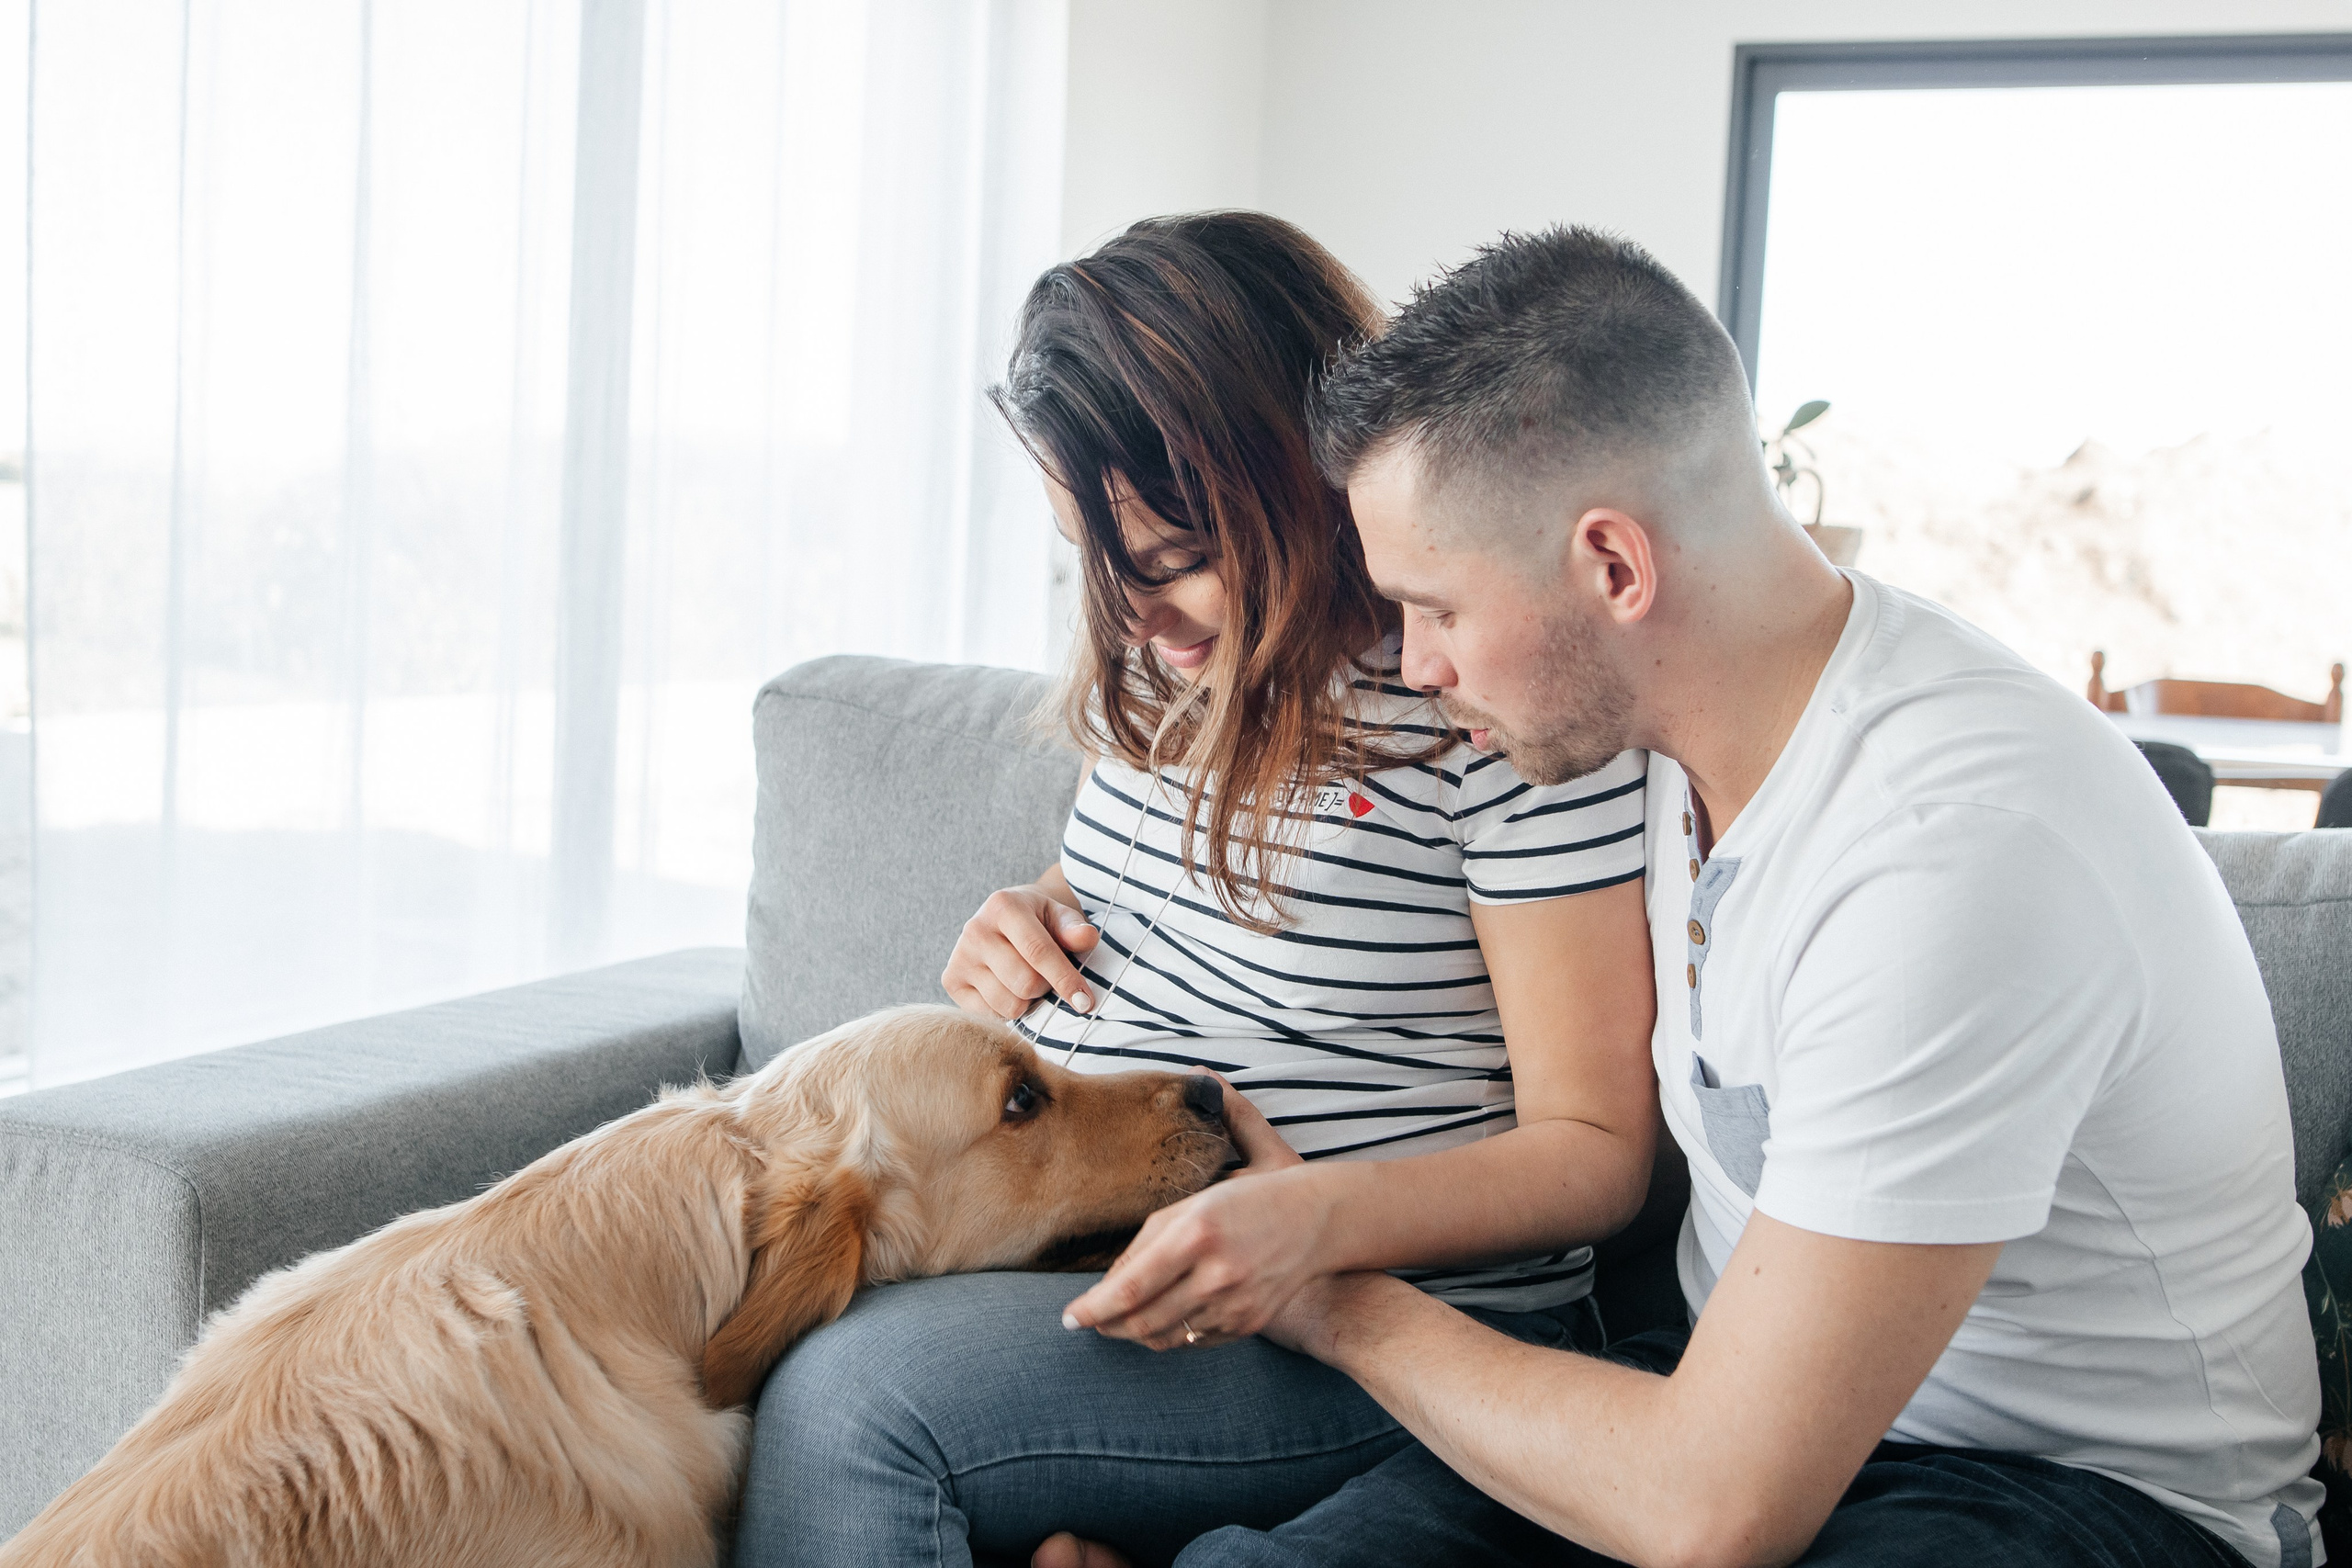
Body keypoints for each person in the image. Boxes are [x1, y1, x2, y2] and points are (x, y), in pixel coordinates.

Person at [1056, 226, 2324, 1568]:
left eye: (1432, 608)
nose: (1410, 665)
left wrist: (1329, 1298)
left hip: (2074, 1492)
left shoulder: (1950, 849)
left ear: (1614, 568)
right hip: (1722, 1392)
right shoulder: (1666, 739)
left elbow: (1710, 1511)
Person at [728, 212, 1662, 1568]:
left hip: (1373, 1319)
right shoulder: (1160, 679)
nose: (1134, 618)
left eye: (1172, 561)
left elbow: (1597, 1156)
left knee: (853, 1407)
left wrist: (1304, 1225)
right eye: (1092, 560)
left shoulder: (1492, 698)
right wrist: (1024, 917)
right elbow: (1174, 898)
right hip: (1110, 1246)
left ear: (1300, 476)